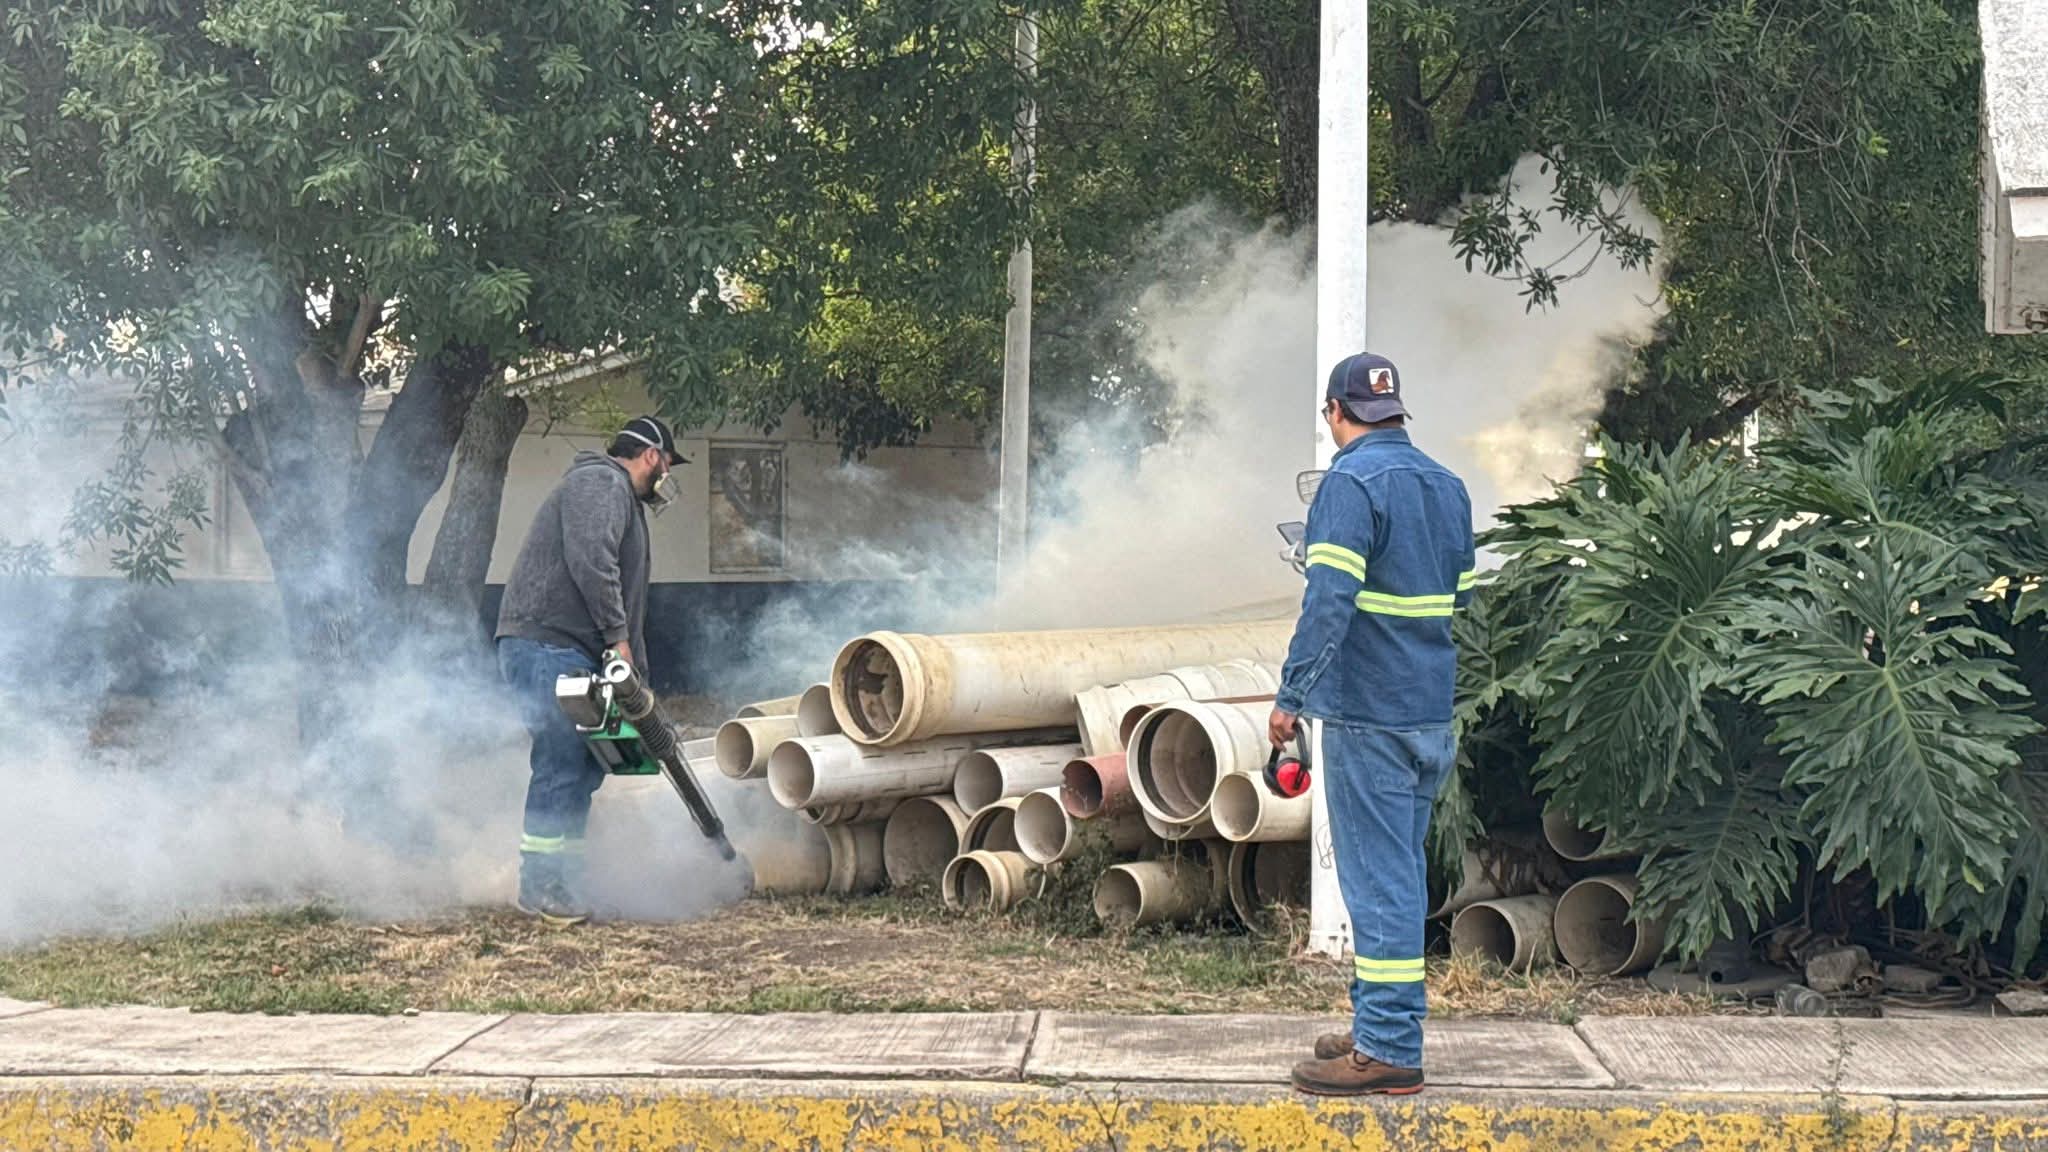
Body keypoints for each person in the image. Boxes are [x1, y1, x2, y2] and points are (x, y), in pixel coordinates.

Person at [1268, 353, 1475, 1096]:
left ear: (1334, 413)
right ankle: (1377, 1024)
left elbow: (1328, 603)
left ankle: (1387, 1047)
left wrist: (1290, 696)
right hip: (1427, 716)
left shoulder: (1350, 485)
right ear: (1396, 412)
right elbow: (1462, 601)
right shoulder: (1448, 488)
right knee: (1399, 877)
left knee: (1379, 886)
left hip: (1367, 716)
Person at [495, 415, 683, 925]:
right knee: (560, 759)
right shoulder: (600, 482)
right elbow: (592, 563)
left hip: (575, 652)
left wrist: (641, 691)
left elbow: (628, 606)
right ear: (652, 456)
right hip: (547, 645)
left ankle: (566, 882)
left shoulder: (619, 497)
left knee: (587, 766)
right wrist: (618, 641)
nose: (667, 475)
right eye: (668, 464)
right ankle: (539, 888)